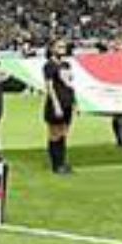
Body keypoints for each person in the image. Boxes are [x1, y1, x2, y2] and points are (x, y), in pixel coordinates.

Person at [43, 39, 77, 175]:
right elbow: (49, 86)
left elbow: (70, 85)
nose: (62, 49)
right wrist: (56, 104)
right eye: (59, 46)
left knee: (64, 133)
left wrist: (75, 102)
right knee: (55, 133)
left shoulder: (66, 64)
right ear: (52, 48)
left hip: (67, 101)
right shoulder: (49, 65)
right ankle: (56, 164)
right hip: (56, 103)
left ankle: (62, 162)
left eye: (63, 46)